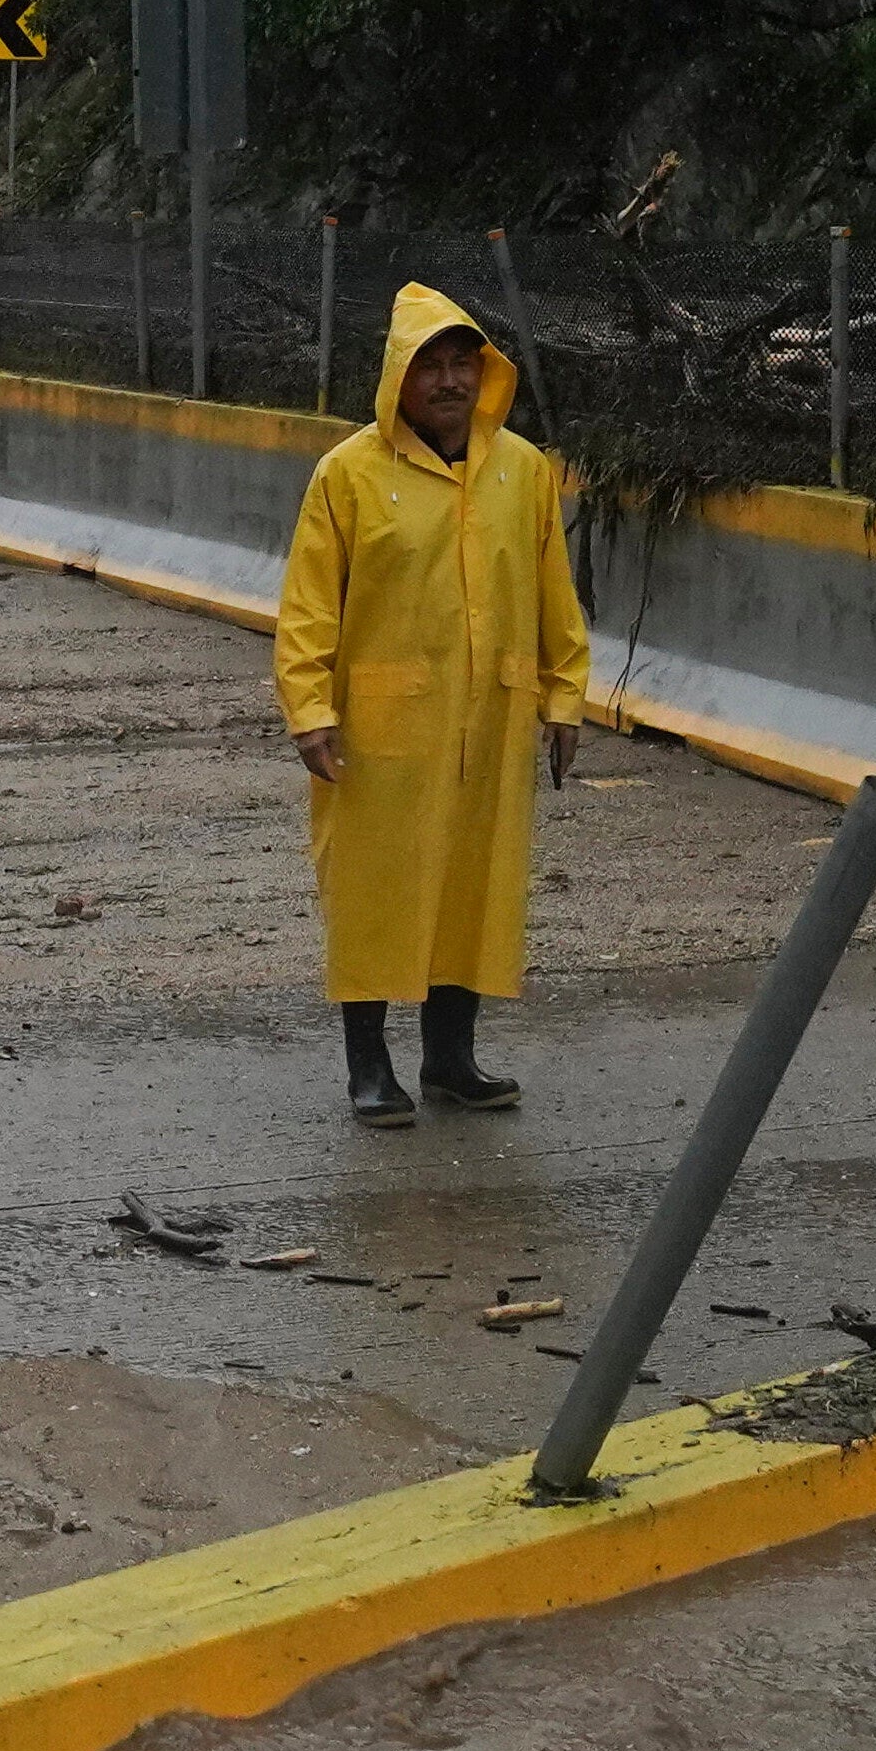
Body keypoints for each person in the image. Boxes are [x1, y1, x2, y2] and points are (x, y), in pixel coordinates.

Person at [275, 281, 587, 1128]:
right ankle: (369, 1064)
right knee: (378, 887)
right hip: (382, 732)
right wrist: (309, 708)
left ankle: (451, 1056)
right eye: (431, 367)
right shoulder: (347, 476)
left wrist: (564, 698)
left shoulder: (521, 471)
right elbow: (308, 608)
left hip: (491, 718)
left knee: (471, 886)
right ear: (399, 380)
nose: (449, 382)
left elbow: (557, 592)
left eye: (463, 365)